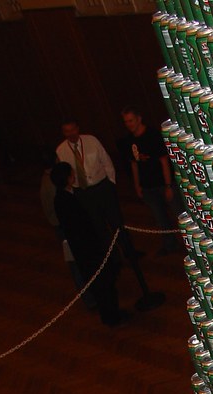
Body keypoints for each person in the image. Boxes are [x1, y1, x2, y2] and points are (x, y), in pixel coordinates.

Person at [50, 161, 130, 327]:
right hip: (88, 251)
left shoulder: (66, 196)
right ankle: (111, 318)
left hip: (89, 249)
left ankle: (113, 313)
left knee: (106, 284)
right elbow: (80, 228)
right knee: (102, 286)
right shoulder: (64, 201)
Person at [55, 119, 138, 262]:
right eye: (67, 131)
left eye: (73, 129)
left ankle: (130, 252)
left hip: (102, 187)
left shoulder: (91, 141)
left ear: (78, 128)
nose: (71, 133)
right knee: (98, 226)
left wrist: (111, 183)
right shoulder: (61, 150)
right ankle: (112, 258)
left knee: (116, 221)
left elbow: (106, 161)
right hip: (83, 192)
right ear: (64, 133)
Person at [121, 106, 182, 255]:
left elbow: (164, 161)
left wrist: (168, 185)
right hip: (148, 186)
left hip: (162, 183)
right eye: (126, 122)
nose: (129, 124)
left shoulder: (153, 135)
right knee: (160, 218)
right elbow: (134, 164)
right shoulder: (128, 140)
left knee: (179, 215)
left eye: (131, 120)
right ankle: (169, 245)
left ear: (139, 119)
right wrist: (137, 186)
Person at [40, 150, 97, 309]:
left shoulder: (48, 182)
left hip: (65, 227)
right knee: (77, 265)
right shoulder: (54, 186)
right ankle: (90, 299)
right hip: (66, 229)